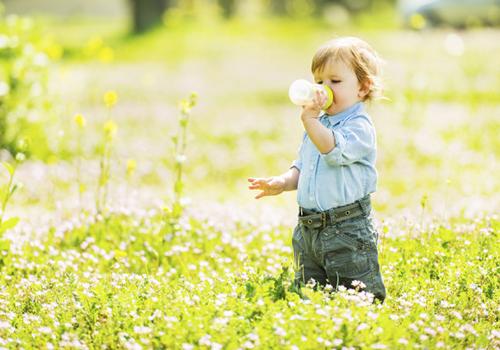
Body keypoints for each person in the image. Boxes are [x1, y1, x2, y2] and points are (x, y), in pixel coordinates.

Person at [248, 36, 386, 303]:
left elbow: (331, 151)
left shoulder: (359, 127)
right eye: (319, 82)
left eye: (335, 81)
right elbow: (305, 166)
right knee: (310, 293)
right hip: (308, 228)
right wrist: (283, 181)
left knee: (358, 295)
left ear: (363, 87)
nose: (323, 89)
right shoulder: (318, 123)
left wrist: (309, 120)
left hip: (347, 229)